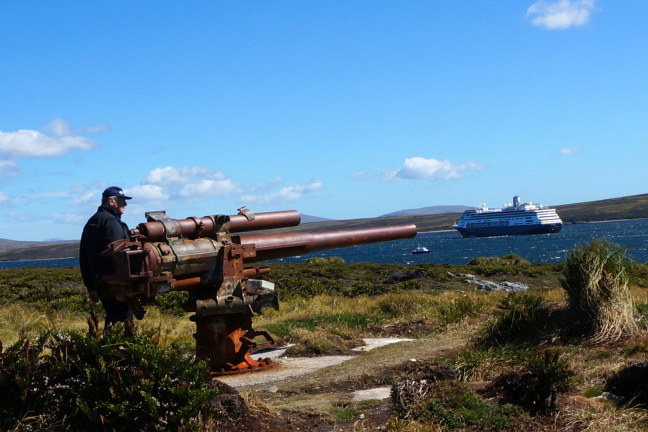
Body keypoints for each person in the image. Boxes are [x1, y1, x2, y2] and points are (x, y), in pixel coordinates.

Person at [79, 186, 134, 328]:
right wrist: (123, 287)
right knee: (123, 321)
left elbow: (84, 257)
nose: (125, 205)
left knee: (112, 318)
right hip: (115, 285)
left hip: (101, 284)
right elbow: (118, 256)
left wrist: (91, 286)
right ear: (111, 201)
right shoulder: (111, 222)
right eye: (122, 201)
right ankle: (121, 349)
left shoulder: (92, 221)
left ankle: (107, 348)